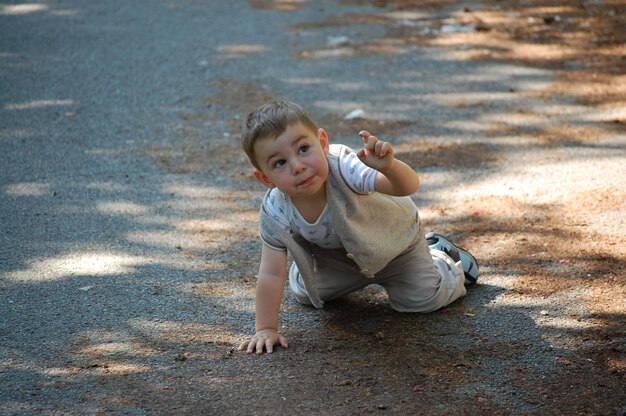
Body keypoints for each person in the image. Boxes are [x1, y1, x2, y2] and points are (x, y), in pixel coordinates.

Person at [237, 100, 479, 355]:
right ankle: (308, 269)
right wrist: (265, 328)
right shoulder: (275, 210)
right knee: (308, 294)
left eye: (304, 148)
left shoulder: (344, 167)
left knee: (423, 300)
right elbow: (271, 274)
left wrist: (389, 167)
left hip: (394, 246)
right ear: (265, 179)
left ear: (322, 143)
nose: (297, 166)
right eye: (279, 163)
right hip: (338, 259)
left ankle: (440, 255)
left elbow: (406, 187)